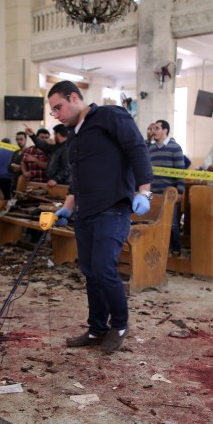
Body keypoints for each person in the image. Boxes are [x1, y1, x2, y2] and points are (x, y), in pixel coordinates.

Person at [49, 80, 153, 354]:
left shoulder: (109, 115)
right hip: (85, 211)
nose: (56, 115)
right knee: (91, 272)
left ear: (74, 97)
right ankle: (96, 329)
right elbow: (78, 178)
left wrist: (144, 191)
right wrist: (67, 207)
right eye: (53, 111)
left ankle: (119, 325)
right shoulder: (74, 134)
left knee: (105, 268)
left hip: (112, 207)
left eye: (58, 107)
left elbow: (136, 148)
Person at [148, 119, 185, 255]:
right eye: (153, 128)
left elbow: (180, 171)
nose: (153, 131)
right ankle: (159, 251)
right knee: (153, 222)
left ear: (165, 131)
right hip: (153, 193)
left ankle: (175, 251)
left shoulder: (175, 148)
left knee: (172, 225)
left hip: (169, 193)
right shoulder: (151, 149)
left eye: (157, 128)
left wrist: (179, 192)